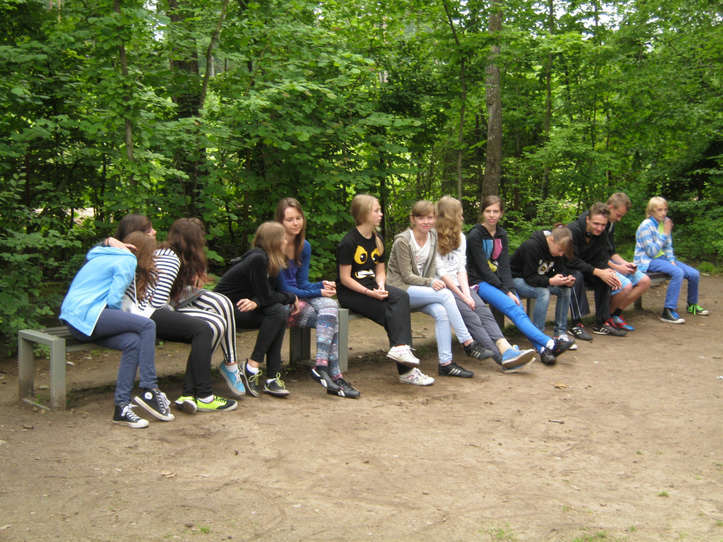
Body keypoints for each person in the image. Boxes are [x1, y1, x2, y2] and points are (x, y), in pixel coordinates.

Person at [124, 218, 239, 413]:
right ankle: (205, 396)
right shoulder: (170, 258)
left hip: (145, 312)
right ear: (193, 241)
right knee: (204, 328)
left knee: (212, 325)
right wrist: (179, 317)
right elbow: (157, 302)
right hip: (146, 315)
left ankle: (188, 394)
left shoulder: (168, 253)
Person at [59, 232, 174, 428]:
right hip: (88, 316)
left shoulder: (101, 254)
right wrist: (120, 321)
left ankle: (121, 407)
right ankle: (150, 389)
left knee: (133, 342)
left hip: (75, 322)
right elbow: (114, 300)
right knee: (147, 325)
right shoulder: (128, 260)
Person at [387, 200, 494, 379]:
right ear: (413, 219)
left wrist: (431, 282)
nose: (426, 222)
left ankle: (446, 364)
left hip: (419, 291)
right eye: (421, 218)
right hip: (400, 291)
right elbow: (406, 276)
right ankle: (468, 342)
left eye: (430, 218)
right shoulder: (403, 241)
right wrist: (430, 282)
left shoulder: (433, 237)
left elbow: (445, 266)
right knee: (445, 294)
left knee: (441, 312)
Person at [336, 194, 434, 386]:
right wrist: (369, 293)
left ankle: (401, 351)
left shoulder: (378, 239)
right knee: (391, 312)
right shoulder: (348, 242)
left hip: (372, 286)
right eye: (377, 211)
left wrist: (381, 285)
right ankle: (406, 370)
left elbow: (380, 271)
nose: (381, 214)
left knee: (401, 296)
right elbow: (345, 279)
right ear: (364, 214)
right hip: (351, 293)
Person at [433, 196, 537, 371]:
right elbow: (441, 272)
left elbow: (461, 269)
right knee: (472, 316)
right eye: (459, 214)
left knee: (482, 310)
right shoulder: (433, 238)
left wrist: (467, 294)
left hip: (461, 285)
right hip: (442, 286)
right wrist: (463, 297)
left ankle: (506, 348)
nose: (462, 218)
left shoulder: (461, 237)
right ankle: (501, 358)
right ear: (449, 216)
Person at [466, 195, 573, 365]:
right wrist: (506, 291)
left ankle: (542, 350)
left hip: (499, 283)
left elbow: (504, 267)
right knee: (514, 308)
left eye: (495, 211)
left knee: (519, 310)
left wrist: (509, 288)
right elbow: (483, 270)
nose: (492, 215)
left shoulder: (502, 234)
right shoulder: (475, 235)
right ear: (483, 212)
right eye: (488, 211)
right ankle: (551, 343)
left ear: (501, 213)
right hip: (478, 282)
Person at [275, 197, 360, 398]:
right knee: (330, 319)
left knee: (330, 306)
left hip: (299, 296)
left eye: (298, 218)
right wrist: (317, 292)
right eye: (289, 219)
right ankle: (334, 375)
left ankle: (321, 366)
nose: (295, 223)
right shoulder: (274, 246)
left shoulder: (304, 246)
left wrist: (321, 285)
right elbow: (283, 288)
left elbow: (302, 284)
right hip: (281, 300)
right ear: (280, 222)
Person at [215, 221, 300, 397]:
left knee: (280, 313)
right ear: (274, 241)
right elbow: (268, 297)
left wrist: (258, 301)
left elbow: (269, 294)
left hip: (244, 307)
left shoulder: (271, 260)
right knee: (278, 313)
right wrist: (290, 297)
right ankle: (254, 367)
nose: (286, 241)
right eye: (283, 238)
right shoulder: (258, 259)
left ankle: (269, 376)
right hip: (225, 310)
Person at [634, 196, 709, 324]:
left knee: (694, 274)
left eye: (665, 209)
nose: (663, 213)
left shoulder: (665, 223)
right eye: (659, 210)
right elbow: (651, 252)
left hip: (663, 259)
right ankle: (668, 311)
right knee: (678, 272)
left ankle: (692, 305)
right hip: (647, 260)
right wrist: (664, 234)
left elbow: (668, 246)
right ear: (651, 211)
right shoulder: (645, 226)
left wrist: (671, 260)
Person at [510, 226, 577, 348]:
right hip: (516, 279)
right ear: (551, 240)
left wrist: (565, 280)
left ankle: (560, 334)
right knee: (543, 292)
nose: (561, 254)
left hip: (537, 279)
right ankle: (538, 336)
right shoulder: (532, 246)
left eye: (563, 252)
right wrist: (551, 281)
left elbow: (560, 270)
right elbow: (530, 277)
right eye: (560, 250)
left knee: (565, 290)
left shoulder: (557, 249)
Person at [566, 203, 627, 338]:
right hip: (567, 268)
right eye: (596, 224)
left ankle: (602, 322)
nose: (599, 228)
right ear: (588, 219)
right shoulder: (572, 230)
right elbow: (571, 260)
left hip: (587, 269)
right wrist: (597, 271)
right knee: (577, 277)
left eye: (603, 225)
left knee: (606, 277)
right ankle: (576, 324)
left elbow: (602, 258)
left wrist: (607, 272)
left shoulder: (602, 234)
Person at [599, 193, 651, 331]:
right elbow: (598, 256)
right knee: (626, 285)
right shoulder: (599, 224)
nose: (619, 219)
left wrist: (625, 264)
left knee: (645, 281)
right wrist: (617, 267)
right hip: (600, 265)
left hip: (610, 262)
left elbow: (612, 252)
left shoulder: (611, 224)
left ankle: (616, 313)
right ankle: (606, 316)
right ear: (610, 207)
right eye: (618, 215)